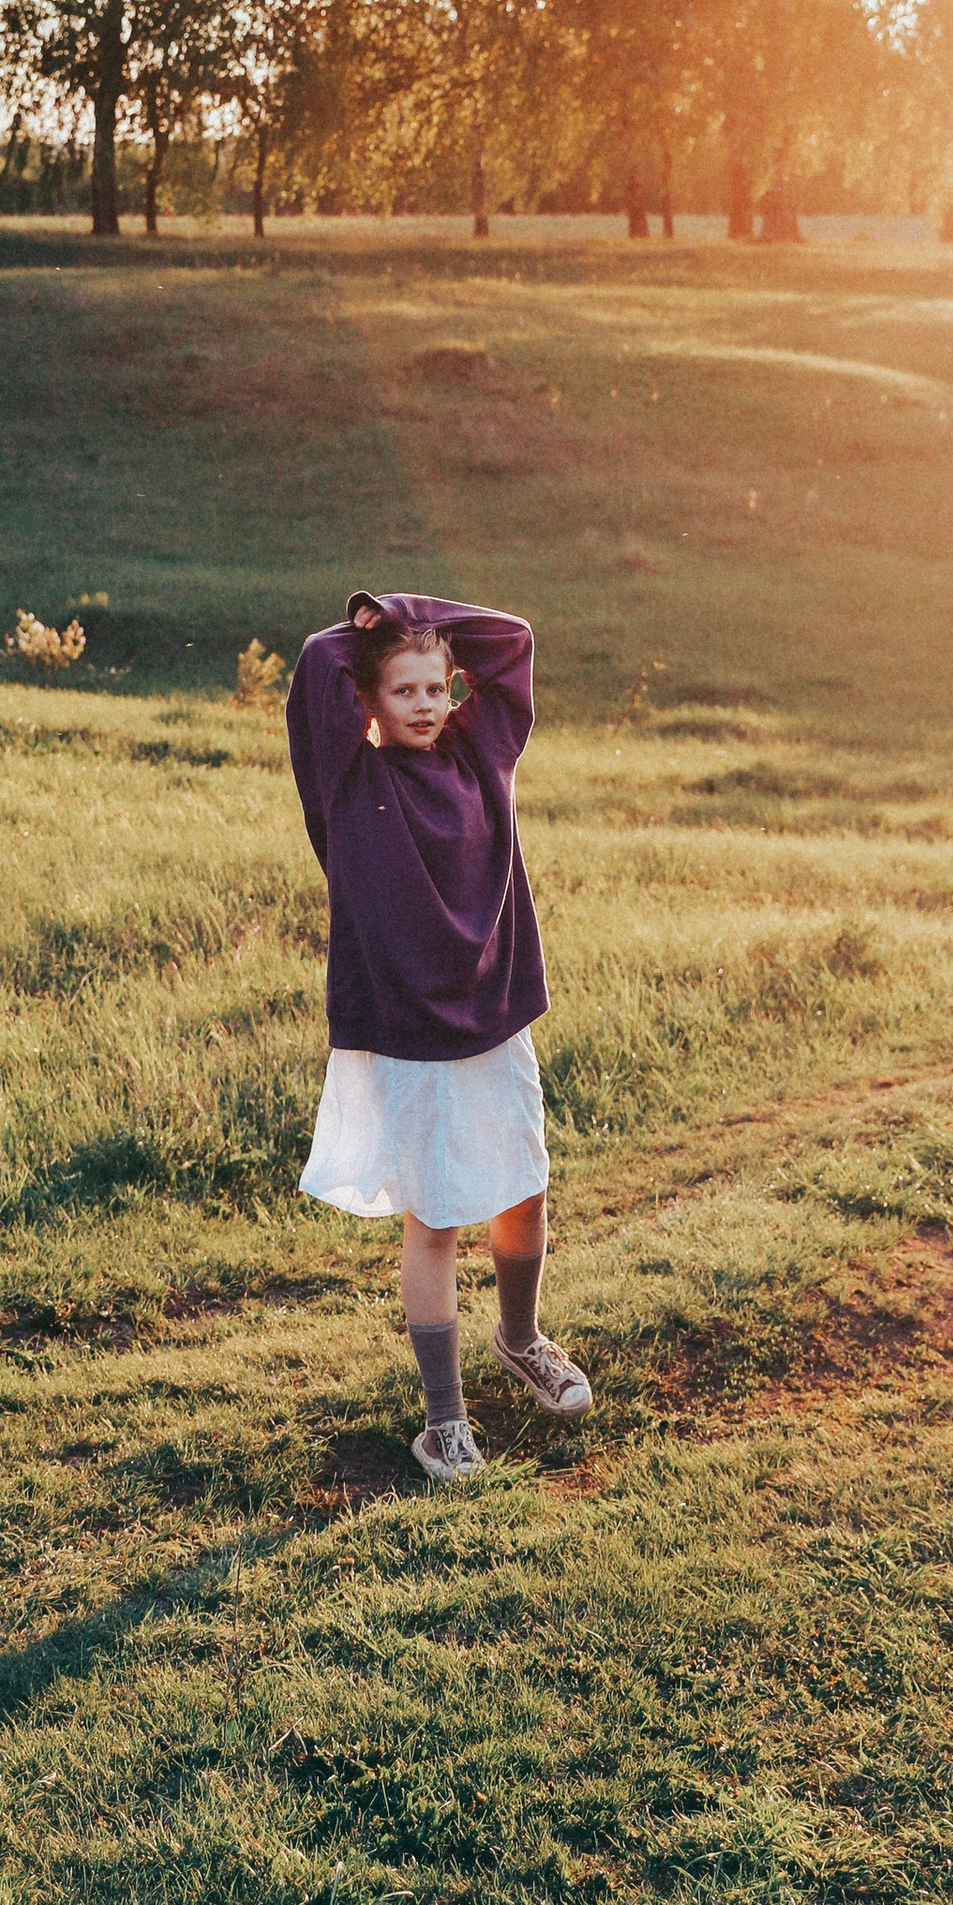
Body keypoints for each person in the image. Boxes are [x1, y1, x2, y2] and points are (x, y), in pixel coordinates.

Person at [286, 587, 593, 1482]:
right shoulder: (346, 783)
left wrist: (424, 625)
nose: (425, 705)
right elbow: (317, 659)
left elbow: (515, 637)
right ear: (368, 703)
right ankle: (445, 1420)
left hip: (494, 1016)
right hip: (406, 1031)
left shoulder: (481, 753)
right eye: (403, 690)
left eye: (438, 687)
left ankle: (522, 1340)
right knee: (435, 1223)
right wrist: (378, 621)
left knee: (523, 1191)